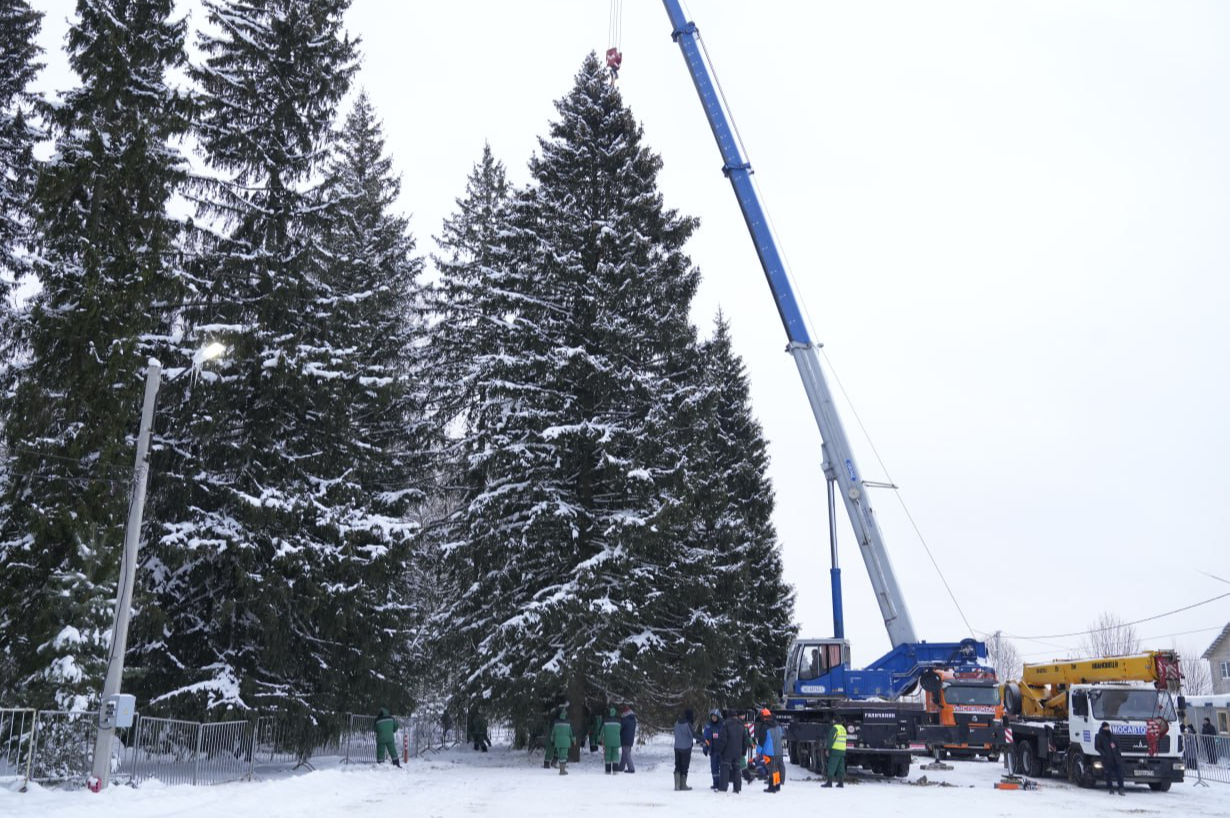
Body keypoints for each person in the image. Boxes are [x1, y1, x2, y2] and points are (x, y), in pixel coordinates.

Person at [718, 709, 750, 794]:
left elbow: (723, 739)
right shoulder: (741, 724)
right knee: (737, 769)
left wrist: (720, 750)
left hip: (727, 751)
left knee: (725, 768)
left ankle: (723, 787)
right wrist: (744, 751)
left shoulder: (726, 724)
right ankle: (737, 788)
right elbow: (745, 740)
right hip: (738, 751)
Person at [754, 708, 784, 793]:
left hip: (769, 752)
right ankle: (777, 785)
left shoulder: (764, 727)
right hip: (779, 750)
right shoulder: (778, 724)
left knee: (771, 769)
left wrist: (758, 752)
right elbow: (781, 735)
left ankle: (771, 787)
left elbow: (761, 741)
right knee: (776, 769)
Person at [1095, 721, 1125, 795]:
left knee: (1119, 774)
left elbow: (1118, 744)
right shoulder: (1099, 736)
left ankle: (1121, 788)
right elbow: (1097, 746)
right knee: (1108, 774)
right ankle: (1110, 788)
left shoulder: (1112, 735)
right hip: (1106, 759)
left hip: (1116, 758)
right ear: (1103, 727)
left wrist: (1119, 750)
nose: (1107, 728)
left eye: (1108, 727)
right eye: (1106, 727)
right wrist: (1103, 753)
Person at [673, 708, 696, 791]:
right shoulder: (688, 724)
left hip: (677, 747)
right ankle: (683, 785)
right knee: (685, 766)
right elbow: (693, 735)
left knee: (677, 765)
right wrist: (705, 741)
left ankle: (677, 785)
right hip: (686, 748)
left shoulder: (676, 723)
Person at [701, 709, 724, 791]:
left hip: (721, 750)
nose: (714, 718)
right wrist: (705, 747)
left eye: (715, 717)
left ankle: (722, 783)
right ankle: (715, 783)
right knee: (714, 768)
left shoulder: (722, 725)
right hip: (713, 750)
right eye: (712, 717)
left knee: (722, 767)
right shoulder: (708, 726)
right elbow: (705, 738)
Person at [820, 717, 846, 788]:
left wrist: (828, 749)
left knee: (831, 766)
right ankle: (841, 783)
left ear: (835, 721)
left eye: (833, 720)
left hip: (835, 750)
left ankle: (829, 782)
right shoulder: (843, 729)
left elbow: (831, 740)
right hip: (842, 750)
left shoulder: (834, 728)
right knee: (841, 767)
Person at [549, 707, 574, 775]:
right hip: (565, 742)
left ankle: (561, 770)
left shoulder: (556, 722)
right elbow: (572, 733)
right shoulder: (569, 722)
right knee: (564, 756)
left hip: (557, 742)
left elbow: (553, 733)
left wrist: (552, 740)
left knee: (560, 755)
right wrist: (574, 740)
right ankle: (562, 771)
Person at [600, 706, 622, 774]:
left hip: (607, 741)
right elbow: (621, 731)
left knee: (608, 755)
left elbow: (601, 731)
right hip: (616, 741)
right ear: (615, 713)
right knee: (615, 755)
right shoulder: (619, 722)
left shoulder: (605, 721)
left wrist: (600, 739)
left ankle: (608, 770)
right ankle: (615, 770)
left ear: (609, 713)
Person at [618, 704, 637, 773]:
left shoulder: (625, 719)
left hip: (625, 738)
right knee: (624, 753)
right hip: (630, 738)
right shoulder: (633, 719)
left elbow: (620, 728)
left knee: (627, 754)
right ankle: (621, 767)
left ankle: (631, 768)